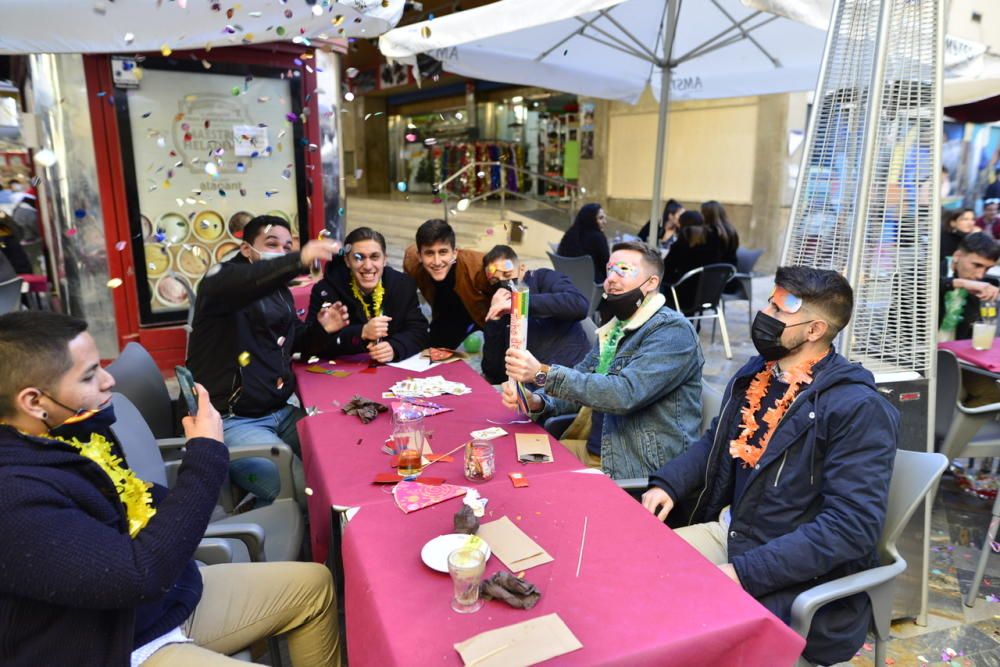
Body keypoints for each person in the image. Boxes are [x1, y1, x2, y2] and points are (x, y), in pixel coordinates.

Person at [0, 311, 340, 666]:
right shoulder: (13, 495)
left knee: (314, 586)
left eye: (101, 366)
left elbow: (138, 506)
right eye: (89, 376)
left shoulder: (72, 431)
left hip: (154, 608)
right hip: (109, 646)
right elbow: (139, 575)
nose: (108, 380)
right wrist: (206, 454)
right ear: (34, 402)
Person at [641, 267, 899, 666]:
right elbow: (717, 442)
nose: (764, 314)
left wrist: (745, 573)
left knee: (677, 629)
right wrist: (668, 485)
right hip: (733, 530)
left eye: (778, 310)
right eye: (769, 302)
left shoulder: (858, 408)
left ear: (813, 330)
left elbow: (851, 528)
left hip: (793, 570)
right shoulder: (758, 374)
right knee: (636, 572)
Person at [504, 241, 703, 479]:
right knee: (509, 463)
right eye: (610, 269)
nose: (611, 278)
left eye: (623, 270)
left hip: (632, 466)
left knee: (532, 485)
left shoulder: (672, 332)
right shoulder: (616, 328)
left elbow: (624, 394)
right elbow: (583, 383)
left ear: (651, 283)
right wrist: (536, 401)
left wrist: (542, 373)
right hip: (593, 449)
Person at [187, 215, 348, 506]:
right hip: (234, 421)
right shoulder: (222, 282)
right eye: (271, 244)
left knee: (341, 456)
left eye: (287, 247)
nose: (280, 252)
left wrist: (321, 329)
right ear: (247, 249)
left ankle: (278, 514)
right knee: (305, 492)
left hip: (281, 412)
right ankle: (286, 534)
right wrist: (297, 259)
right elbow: (248, 279)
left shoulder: (277, 291)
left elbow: (287, 341)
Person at [306, 227, 428, 363]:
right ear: (347, 261)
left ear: (384, 259)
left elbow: (419, 331)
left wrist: (395, 348)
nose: (368, 266)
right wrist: (361, 332)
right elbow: (309, 344)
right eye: (359, 258)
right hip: (343, 374)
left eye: (375, 257)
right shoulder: (326, 290)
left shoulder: (403, 285)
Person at [480, 245, 590, 385]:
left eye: (507, 275)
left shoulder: (542, 278)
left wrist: (520, 304)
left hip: (571, 376)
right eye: (495, 281)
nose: (503, 283)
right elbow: (493, 373)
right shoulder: (502, 307)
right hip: (533, 389)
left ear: (522, 269)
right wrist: (494, 321)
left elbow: (579, 304)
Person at [403, 219, 491, 349]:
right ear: (419, 256)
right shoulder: (412, 264)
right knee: (433, 354)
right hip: (448, 315)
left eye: (443, 252)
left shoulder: (480, 265)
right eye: (429, 253)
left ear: (455, 253)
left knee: (495, 364)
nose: (437, 262)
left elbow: (513, 280)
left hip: (487, 312)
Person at [939, 231, 1000, 342]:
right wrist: (961, 283)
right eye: (976, 265)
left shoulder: (979, 288)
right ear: (957, 256)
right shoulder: (931, 272)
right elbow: (924, 284)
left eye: (987, 269)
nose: (980, 275)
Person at [661, 210, 724, 312]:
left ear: (682, 224)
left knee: (658, 283)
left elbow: (667, 267)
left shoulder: (684, 239)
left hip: (684, 296)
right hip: (710, 294)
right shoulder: (714, 239)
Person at [557, 203, 610, 283]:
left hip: (568, 282)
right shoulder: (598, 237)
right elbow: (606, 266)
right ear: (590, 219)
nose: (605, 222)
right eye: (600, 218)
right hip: (593, 285)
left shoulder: (570, 234)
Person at [701, 200, 740, 266]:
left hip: (710, 272)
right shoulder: (731, 230)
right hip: (729, 271)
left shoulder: (708, 232)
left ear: (706, 215)